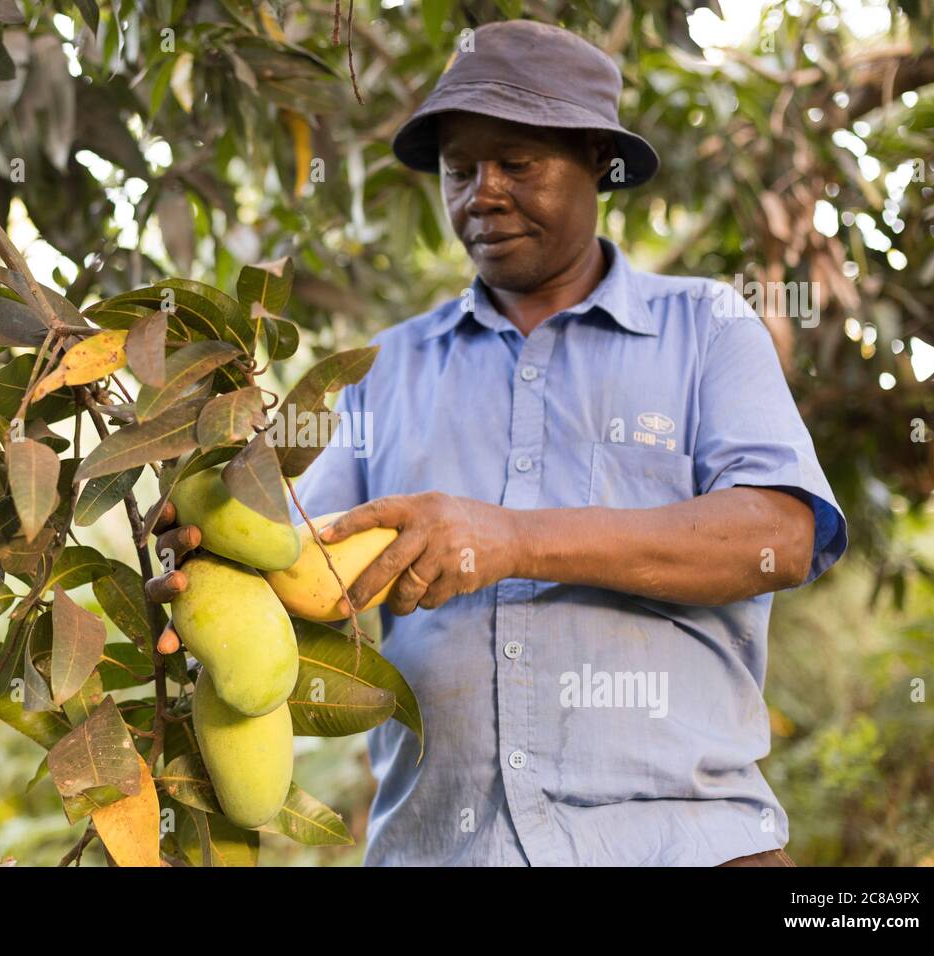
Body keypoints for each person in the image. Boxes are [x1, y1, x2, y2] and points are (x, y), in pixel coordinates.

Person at [148, 20, 847, 866]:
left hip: (686, 845)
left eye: (516, 163)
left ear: (596, 159)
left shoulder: (707, 328)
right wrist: (209, 547)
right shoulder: (381, 368)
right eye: (459, 169)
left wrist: (512, 540)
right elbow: (301, 560)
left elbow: (782, 536)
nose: (481, 193)